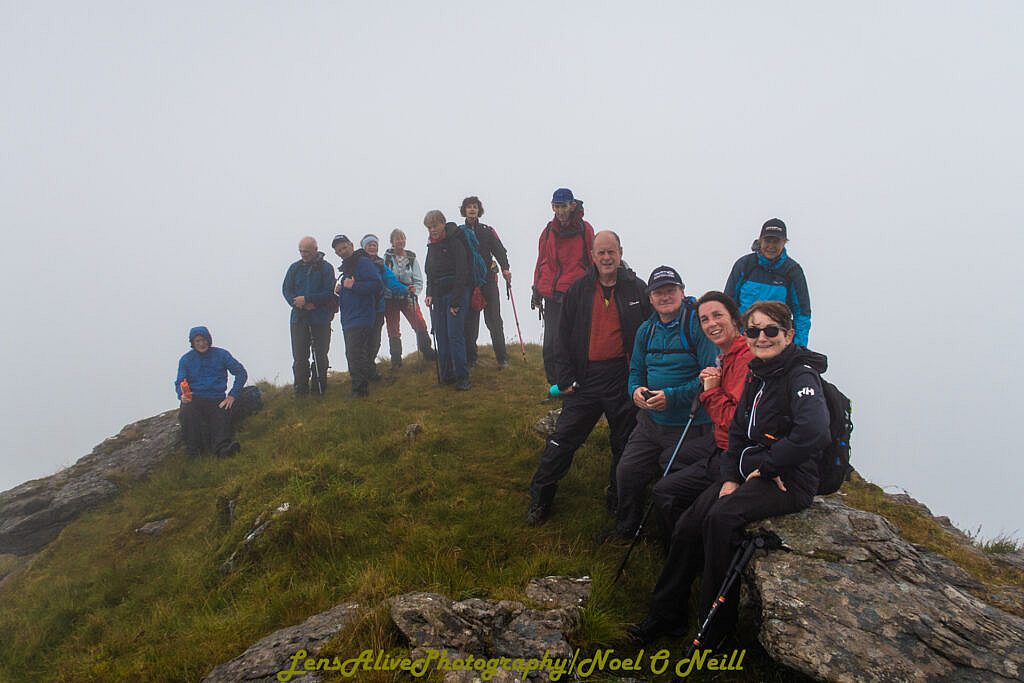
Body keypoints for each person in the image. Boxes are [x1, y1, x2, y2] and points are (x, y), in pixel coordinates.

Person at [628, 300, 830, 647]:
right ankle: (666, 615)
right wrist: (733, 476)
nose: (761, 337)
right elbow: (737, 432)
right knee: (690, 524)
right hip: (750, 470)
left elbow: (814, 431)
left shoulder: (800, 375)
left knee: (719, 519)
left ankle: (714, 632)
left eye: (770, 330)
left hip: (790, 480)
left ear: (789, 334)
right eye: (754, 331)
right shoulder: (759, 373)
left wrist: (768, 466)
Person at [526, 231, 651, 525]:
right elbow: (561, 335)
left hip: (622, 376)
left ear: (620, 252)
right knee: (563, 440)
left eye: (612, 252)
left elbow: (654, 325)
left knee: (624, 442)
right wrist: (564, 376)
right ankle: (540, 499)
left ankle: (619, 498)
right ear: (592, 256)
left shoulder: (636, 288)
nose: (607, 258)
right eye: (601, 253)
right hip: (584, 378)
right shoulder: (579, 288)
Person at [609, 267, 719, 541]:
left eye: (671, 290)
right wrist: (635, 391)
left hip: (691, 425)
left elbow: (710, 377)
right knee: (627, 471)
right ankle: (628, 528)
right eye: (659, 292)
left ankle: (676, 536)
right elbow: (635, 371)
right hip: (650, 423)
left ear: (682, 292)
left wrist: (671, 395)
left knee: (672, 482)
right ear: (650, 298)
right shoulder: (646, 330)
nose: (665, 296)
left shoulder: (696, 325)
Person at [651, 290, 754, 536]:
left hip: (734, 451)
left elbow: (735, 421)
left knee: (664, 490)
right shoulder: (727, 356)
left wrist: (711, 391)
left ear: (735, 319)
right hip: (720, 442)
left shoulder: (746, 359)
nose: (711, 324)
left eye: (718, 315)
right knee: (669, 459)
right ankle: (688, 517)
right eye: (704, 319)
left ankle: (682, 539)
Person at [532, 188, 595, 386]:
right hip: (552, 294)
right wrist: (537, 288)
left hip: (576, 293)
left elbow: (592, 260)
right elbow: (541, 260)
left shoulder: (585, 230)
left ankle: (575, 383)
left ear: (572, 205)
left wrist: (594, 287)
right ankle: (556, 386)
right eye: (556, 207)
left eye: (563, 206)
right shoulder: (548, 231)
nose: (559, 211)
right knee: (551, 343)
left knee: (573, 342)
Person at [725, 218, 812, 346]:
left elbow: (802, 314)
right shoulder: (745, 265)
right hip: (743, 340)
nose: (771, 246)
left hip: (776, 341)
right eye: (767, 240)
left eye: (776, 241)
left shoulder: (793, 271)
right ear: (760, 241)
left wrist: (799, 348)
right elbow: (727, 304)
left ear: (784, 243)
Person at [175, 326, 247, 457]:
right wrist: (181, 396)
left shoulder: (222, 355)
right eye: (197, 341)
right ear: (193, 343)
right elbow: (179, 381)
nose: (201, 343)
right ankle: (193, 451)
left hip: (217, 398)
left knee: (221, 416)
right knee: (187, 413)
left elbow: (241, 373)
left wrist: (232, 395)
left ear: (209, 340)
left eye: (203, 340)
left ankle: (223, 450)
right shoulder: (186, 360)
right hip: (194, 399)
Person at [459, 196, 512, 369]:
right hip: (469, 282)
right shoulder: (459, 232)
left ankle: (502, 358)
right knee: (470, 322)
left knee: (494, 320)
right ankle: (471, 359)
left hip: (488, 280)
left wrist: (505, 268)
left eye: (475, 207)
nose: (472, 209)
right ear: (464, 210)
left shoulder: (487, 230)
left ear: (479, 210)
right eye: (469, 207)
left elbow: (499, 250)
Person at [423, 210, 472, 391]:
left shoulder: (455, 241)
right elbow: (430, 273)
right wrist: (429, 293)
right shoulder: (431, 246)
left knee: (454, 336)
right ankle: (447, 375)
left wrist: (456, 301)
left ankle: (463, 378)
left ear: (443, 223)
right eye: (429, 227)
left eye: (435, 225)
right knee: (441, 335)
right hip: (438, 297)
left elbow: (462, 272)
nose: (432, 230)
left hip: (455, 294)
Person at [282, 236, 336, 396]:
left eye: (306, 251)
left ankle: (319, 387)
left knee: (320, 353)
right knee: (299, 356)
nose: (303, 254)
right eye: (301, 251)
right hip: (298, 318)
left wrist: (308, 299)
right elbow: (286, 290)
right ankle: (301, 390)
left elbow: (328, 292)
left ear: (315, 249)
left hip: (321, 318)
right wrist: (297, 303)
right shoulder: (294, 268)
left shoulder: (326, 268)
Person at [332, 234, 382, 398]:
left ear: (351, 245)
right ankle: (359, 389)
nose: (342, 252)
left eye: (344, 247)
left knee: (355, 353)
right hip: (349, 318)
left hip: (361, 316)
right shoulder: (347, 267)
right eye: (338, 250)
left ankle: (360, 391)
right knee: (353, 353)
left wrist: (354, 286)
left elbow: (376, 284)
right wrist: (341, 290)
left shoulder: (363, 262)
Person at [384, 228, 435, 368]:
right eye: (397, 238)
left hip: (408, 296)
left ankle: (427, 352)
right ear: (392, 242)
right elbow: (383, 278)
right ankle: (396, 361)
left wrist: (414, 293)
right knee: (393, 327)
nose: (400, 241)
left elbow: (418, 279)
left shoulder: (411, 258)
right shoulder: (386, 258)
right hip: (390, 297)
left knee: (419, 322)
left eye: (402, 238)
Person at [360, 234, 408, 376]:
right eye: (369, 245)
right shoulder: (358, 262)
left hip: (378, 308)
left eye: (375, 244)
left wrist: (405, 290)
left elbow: (390, 280)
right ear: (364, 247)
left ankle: (370, 368)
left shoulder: (381, 264)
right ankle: (361, 370)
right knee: (362, 340)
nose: (372, 247)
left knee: (375, 340)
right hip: (362, 309)